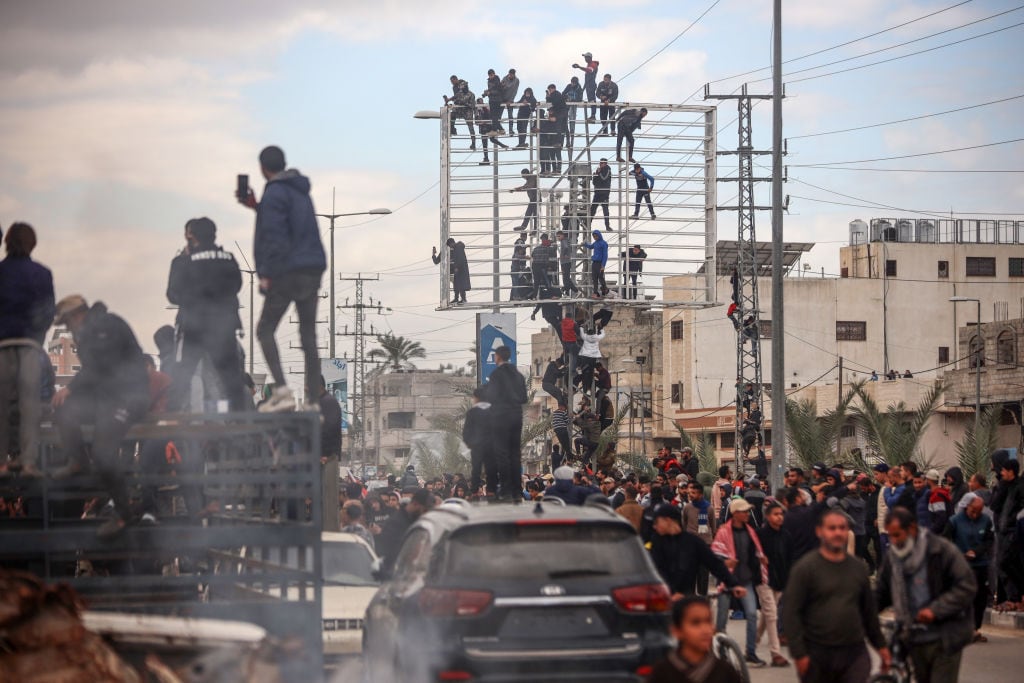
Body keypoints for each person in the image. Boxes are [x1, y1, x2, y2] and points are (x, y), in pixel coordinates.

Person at [51, 295, 151, 538]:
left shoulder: (106, 326)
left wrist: (71, 388)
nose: (67, 328)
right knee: (65, 410)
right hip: (106, 397)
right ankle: (78, 461)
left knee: (104, 452)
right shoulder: (88, 334)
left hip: (128, 396)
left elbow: (99, 367)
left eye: (67, 323)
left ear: (77, 316)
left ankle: (124, 513)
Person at [237, 145, 326, 412]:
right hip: (313, 267)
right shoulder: (300, 191)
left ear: (263, 168)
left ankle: (283, 391)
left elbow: (274, 236)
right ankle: (312, 402)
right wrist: (257, 207)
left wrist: (266, 274)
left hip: (288, 271)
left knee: (265, 329)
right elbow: (288, 222)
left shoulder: (274, 192)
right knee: (308, 334)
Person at [783, 508, 890, 683]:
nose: (838, 533)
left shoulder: (858, 569)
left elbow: (869, 613)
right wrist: (799, 654)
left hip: (854, 653)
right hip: (817, 652)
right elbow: (791, 613)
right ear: (820, 531)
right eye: (832, 528)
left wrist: (881, 646)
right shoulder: (805, 569)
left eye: (842, 528)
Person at [877, 507, 976, 683]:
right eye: (890, 536)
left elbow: (966, 586)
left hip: (945, 637)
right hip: (914, 638)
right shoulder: (893, 557)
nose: (893, 541)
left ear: (912, 529)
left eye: (897, 535)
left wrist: (935, 610)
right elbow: (882, 593)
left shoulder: (942, 550)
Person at [165, 217, 248, 413]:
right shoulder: (229, 259)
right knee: (230, 377)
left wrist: (194, 298)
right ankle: (241, 418)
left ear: (191, 236)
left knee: (182, 374)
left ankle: (171, 417)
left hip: (193, 326)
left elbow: (172, 294)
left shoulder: (183, 261)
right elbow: (237, 286)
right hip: (224, 327)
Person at [0, 223, 55, 477]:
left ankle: (1, 461)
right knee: (29, 405)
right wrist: (36, 336)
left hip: (2, 344)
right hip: (30, 345)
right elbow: (47, 312)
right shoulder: (42, 273)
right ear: (32, 243)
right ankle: (29, 461)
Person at [711, 498, 769, 666]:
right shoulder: (723, 532)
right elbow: (715, 554)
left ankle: (750, 652)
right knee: (721, 621)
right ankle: (720, 655)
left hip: (745, 580)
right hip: (727, 581)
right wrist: (724, 562)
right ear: (735, 514)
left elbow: (756, 552)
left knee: (752, 615)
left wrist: (761, 559)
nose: (747, 514)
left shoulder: (750, 531)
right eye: (744, 511)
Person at [650, 503, 746, 600]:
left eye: (656, 522)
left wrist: (734, 585)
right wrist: (671, 592)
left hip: (686, 601)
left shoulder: (692, 542)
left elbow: (714, 564)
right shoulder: (657, 542)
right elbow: (657, 570)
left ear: (668, 520)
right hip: (661, 600)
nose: (654, 526)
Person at [648, 596, 745, 683]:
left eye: (708, 621)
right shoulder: (662, 674)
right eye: (695, 623)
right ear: (677, 631)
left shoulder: (726, 672)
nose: (705, 630)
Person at [944, 493, 994, 643]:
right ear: (967, 507)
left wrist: (977, 551)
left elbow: (989, 541)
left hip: (980, 564)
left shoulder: (985, 521)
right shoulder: (954, 521)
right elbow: (945, 541)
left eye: (979, 511)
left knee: (980, 599)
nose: (975, 514)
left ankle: (974, 629)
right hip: (961, 566)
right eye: (973, 511)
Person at [482, 346, 528, 501]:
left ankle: (507, 491)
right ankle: (517, 491)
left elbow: (491, 396)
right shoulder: (519, 375)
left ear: (498, 357)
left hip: (501, 417)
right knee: (515, 454)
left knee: (502, 454)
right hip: (516, 416)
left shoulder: (496, 375)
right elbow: (524, 398)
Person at [758, 501, 792, 667]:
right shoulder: (761, 535)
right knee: (772, 615)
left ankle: (754, 640)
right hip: (764, 580)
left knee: (767, 614)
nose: (779, 517)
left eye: (781, 514)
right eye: (775, 514)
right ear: (767, 516)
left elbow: (789, 559)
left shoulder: (786, 535)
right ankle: (776, 653)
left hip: (781, 581)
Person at [377, 488, 434, 575]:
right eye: (425, 510)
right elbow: (389, 554)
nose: (426, 514)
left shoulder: (417, 522)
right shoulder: (395, 523)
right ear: (415, 504)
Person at [683, 480, 717, 595]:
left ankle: (703, 596)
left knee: (704, 573)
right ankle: (691, 596)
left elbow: (713, 526)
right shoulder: (687, 508)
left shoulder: (709, 508)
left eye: (693, 493)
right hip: (690, 544)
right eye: (689, 493)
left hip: (705, 543)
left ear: (700, 494)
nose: (690, 495)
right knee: (691, 571)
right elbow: (684, 523)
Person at [463, 386, 494, 497]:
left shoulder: (472, 412)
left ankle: (474, 491)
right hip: (491, 446)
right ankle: (491, 491)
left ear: (477, 397)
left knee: (476, 469)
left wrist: (469, 443)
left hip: (477, 446)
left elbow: (467, 430)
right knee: (491, 468)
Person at [443, 75, 476, 149]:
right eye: (451, 82)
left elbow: (459, 94)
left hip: (468, 108)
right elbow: (457, 97)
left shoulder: (463, 84)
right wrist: (449, 101)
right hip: (460, 107)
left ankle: (473, 143)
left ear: (456, 79)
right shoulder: (454, 87)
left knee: (470, 126)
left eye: (452, 81)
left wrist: (449, 99)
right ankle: (453, 129)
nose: (452, 83)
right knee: (452, 115)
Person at [571, 52, 599, 122]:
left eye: (586, 57)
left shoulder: (593, 64)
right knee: (591, 100)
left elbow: (590, 70)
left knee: (592, 100)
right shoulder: (589, 64)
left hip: (591, 85)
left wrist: (579, 67)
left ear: (590, 58)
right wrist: (583, 88)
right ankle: (592, 115)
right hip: (589, 85)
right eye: (585, 57)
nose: (585, 59)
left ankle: (593, 116)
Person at [583, 230, 608, 298]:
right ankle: (595, 292)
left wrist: (603, 265)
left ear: (599, 235)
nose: (595, 237)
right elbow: (590, 246)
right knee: (594, 278)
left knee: (600, 278)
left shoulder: (604, 243)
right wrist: (585, 244)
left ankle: (605, 290)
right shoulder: (595, 243)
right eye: (594, 236)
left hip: (600, 263)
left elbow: (605, 255)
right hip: (594, 263)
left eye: (596, 236)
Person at [530, 233, 556, 298]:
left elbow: (532, 255)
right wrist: (553, 242)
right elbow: (554, 250)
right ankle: (552, 295)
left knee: (536, 282)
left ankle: (534, 296)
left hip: (534, 266)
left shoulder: (536, 248)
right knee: (546, 281)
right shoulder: (547, 248)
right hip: (542, 266)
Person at [554, 230, 579, 297]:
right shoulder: (566, 240)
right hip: (566, 262)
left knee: (566, 278)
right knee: (566, 278)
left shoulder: (564, 241)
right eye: (557, 237)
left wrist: (564, 254)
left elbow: (566, 247)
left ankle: (572, 290)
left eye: (559, 236)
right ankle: (567, 293)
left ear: (562, 235)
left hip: (565, 262)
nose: (558, 238)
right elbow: (568, 248)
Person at [589, 159, 612, 231]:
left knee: (605, 210)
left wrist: (599, 173)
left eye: (602, 163)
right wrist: (595, 176)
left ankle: (607, 226)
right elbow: (594, 182)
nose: (601, 164)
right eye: (600, 163)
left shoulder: (608, 170)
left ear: (605, 163)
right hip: (597, 193)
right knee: (592, 209)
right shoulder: (598, 170)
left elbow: (604, 178)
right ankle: (588, 224)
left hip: (604, 193)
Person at [561, 77, 583, 144]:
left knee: (572, 120)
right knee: (564, 122)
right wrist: (566, 98)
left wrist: (573, 100)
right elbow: (563, 94)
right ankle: (567, 140)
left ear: (576, 83)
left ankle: (572, 132)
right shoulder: (569, 86)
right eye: (572, 82)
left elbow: (580, 98)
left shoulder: (579, 88)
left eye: (574, 83)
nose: (572, 84)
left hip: (573, 106)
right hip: (566, 106)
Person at [551, 403, 571, 469]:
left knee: (563, 444)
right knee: (567, 444)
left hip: (557, 430)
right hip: (563, 429)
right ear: (562, 407)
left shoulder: (554, 413)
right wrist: (570, 417)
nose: (565, 409)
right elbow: (567, 422)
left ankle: (569, 458)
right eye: (565, 408)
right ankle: (569, 459)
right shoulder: (563, 412)